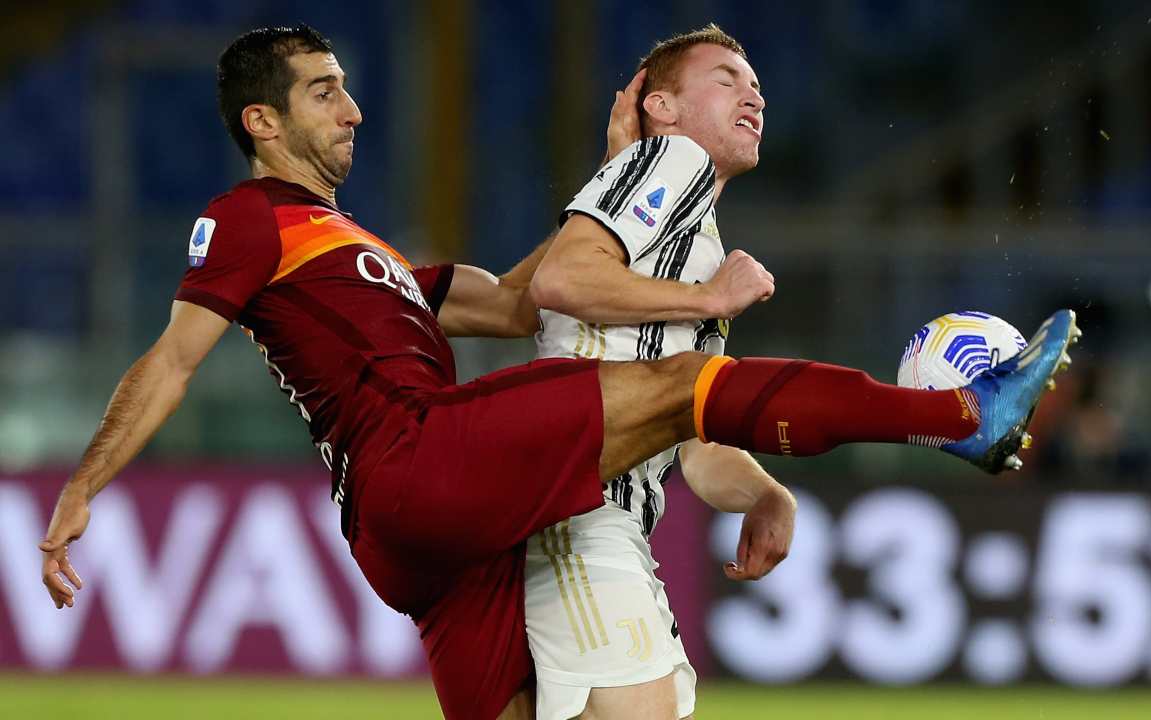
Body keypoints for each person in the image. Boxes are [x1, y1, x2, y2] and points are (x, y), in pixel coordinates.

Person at [37, 25, 1079, 720]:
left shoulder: (362, 254)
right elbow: (173, 359)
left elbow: (520, 300)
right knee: (679, 389)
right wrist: (84, 485)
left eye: (348, 89)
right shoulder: (246, 219)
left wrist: (608, 171)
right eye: (323, 92)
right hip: (414, 459)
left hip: (431, 545)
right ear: (263, 123)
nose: (352, 109)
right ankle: (956, 411)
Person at [522, 25, 792, 720]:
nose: (753, 94)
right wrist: (709, 300)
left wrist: (764, 494)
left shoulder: (695, 234)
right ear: (662, 107)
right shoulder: (672, 161)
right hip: (578, 511)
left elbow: (696, 447)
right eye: (727, 79)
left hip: (600, 521)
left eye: (756, 84)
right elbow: (560, 278)